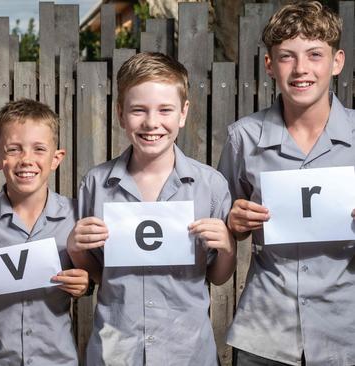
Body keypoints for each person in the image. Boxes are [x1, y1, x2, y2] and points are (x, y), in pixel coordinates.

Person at [68, 52, 235, 365]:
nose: (151, 123)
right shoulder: (95, 183)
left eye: (165, 110)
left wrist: (227, 248)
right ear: (120, 114)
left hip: (187, 353)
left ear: (183, 113)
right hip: (114, 351)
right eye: (138, 110)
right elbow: (98, 273)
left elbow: (218, 275)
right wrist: (75, 249)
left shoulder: (210, 186)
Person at [217, 2, 355, 365]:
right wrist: (235, 222)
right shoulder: (242, 138)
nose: (301, 69)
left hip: (346, 331)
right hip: (264, 333)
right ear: (269, 65)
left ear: (336, 61)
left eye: (314, 54)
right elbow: (224, 230)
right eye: (287, 57)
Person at [0, 99, 89, 365]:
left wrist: (84, 285)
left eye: (39, 149)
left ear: (56, 158)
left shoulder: (75, 217)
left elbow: (87, 275)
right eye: (14, 149)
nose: (27, 160)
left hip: (57, 359)